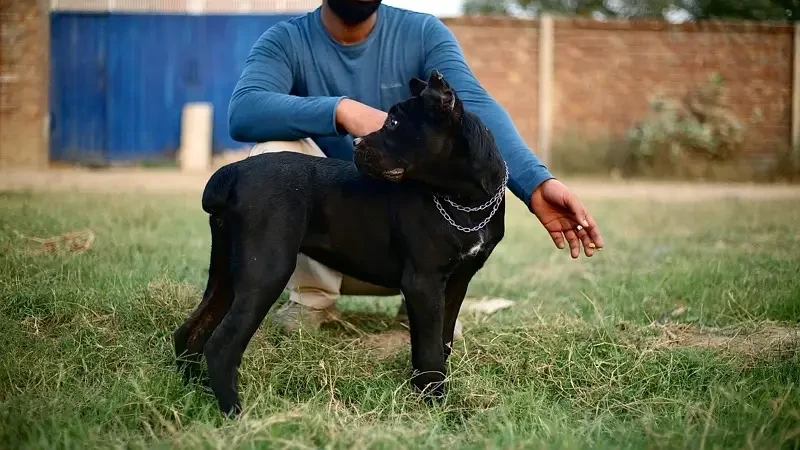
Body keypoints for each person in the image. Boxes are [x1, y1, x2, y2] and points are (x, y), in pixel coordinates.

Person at [227, 0, 604, 337]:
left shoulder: (421, 32)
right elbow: (245, 110)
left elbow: (472, 109)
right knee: (273, 152)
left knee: (437, 166)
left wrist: (536, 183)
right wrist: (343, 111)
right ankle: (312, 298)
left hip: (406, 244)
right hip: (322, 241)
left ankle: (423, 304)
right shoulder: (286, 40)